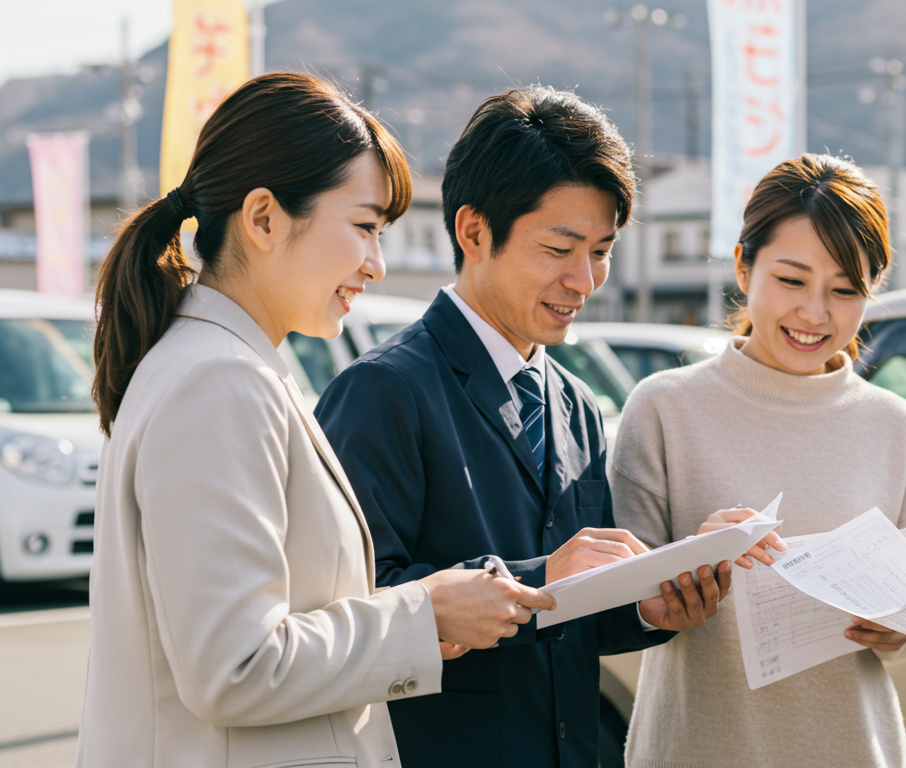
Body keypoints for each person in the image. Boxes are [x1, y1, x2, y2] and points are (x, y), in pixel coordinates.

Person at [77, 72, 555, 768]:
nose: (377, 265)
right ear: (264, 218)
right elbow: (236, 667)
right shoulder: (219, 380)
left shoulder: (218, 363)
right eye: (364, 227)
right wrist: (425, 612)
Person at [314, 85, 742, 768]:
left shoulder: (572, 401)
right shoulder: (382, 391)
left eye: (601, 250)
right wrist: (540, 574)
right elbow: (347, 611)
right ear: (474, 231)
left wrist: (648, 610)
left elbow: (572, 613)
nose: (585, 279)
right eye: (560, 248)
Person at [609, 154, 906, 768]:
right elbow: (624, 610)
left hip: (851, 748)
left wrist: (895, 629)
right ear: (743, 265)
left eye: (844, 290)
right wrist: (689, 565)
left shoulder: (895, 426)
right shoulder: (663, 409)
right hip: (695, 748)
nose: (815, 313)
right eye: (791, 280)